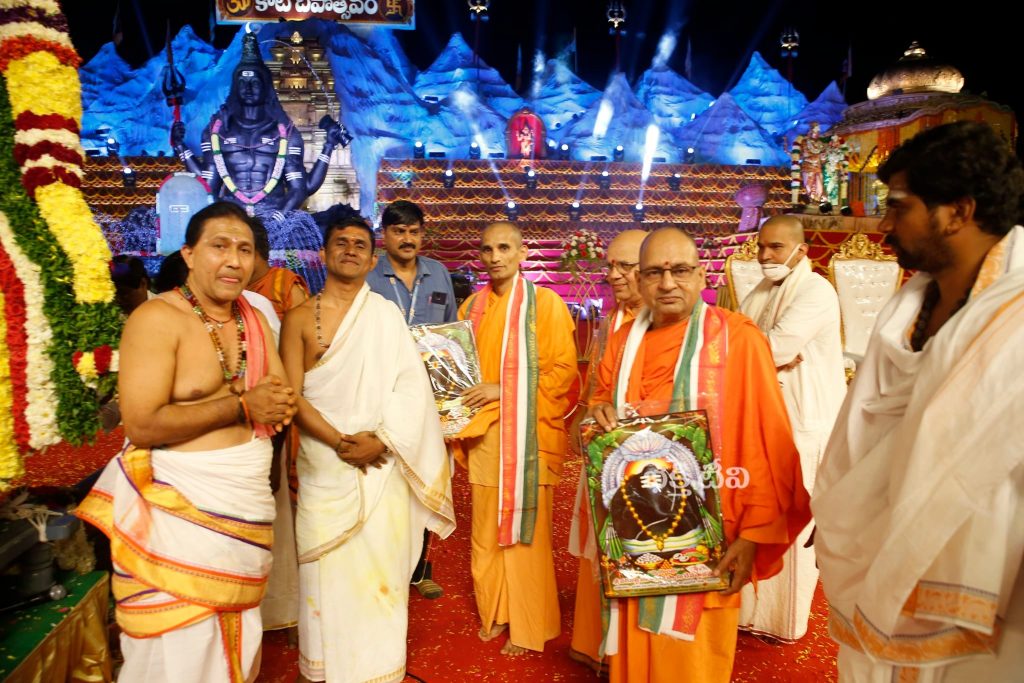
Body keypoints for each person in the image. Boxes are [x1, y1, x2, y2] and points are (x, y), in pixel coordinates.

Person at [813, 121, 1024, 681]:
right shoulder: (905, 307)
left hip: (995, 591)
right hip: (874, 555)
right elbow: (866, 433)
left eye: (899, 207)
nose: (882, 224)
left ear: (958, 211)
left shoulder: (1017, 321)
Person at [76, 201, 298, 683]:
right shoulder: (158, 320)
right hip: (178, 516)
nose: (234, 261)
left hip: (243, 508)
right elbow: (144, 425)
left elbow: (277, 395)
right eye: (219, 246)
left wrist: (268, 402)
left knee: (239, 647)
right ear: (190, 254)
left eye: (245, 249)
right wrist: (242, 404)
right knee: (174, 657)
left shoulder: (253, 321)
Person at [586, 226, 811, 683]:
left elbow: (769, 444)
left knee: (691, 663)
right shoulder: (622, 341)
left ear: (701, 273)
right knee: (635, 659)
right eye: (655, 272)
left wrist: (754, 535)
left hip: (713, 536)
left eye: (680, 270)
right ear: (641, 279)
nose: (668, 283)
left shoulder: (738, 340)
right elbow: (588, 426)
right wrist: (594, 419)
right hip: (635, 540)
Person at [280, 217, 455, 683]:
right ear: (324, 254)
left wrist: (380, 439)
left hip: (382, 464)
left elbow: (411, 389)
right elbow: (291, 395)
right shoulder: (298, 319)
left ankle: (378, 670)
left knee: (381, 572)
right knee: (326, 572)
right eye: (341, 243)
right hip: (324, 469)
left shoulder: (385, 316)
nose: (351, 250)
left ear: (371, 259)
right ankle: (324, 671)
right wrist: (339, 442)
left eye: (361, 245)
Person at [452, 221, 577, 656]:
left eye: (504, 248)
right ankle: (496, 610)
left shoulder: (546, 305)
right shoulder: (471, 307)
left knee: (526, 536)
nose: (495, 257)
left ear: (523, 253)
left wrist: (504, 390)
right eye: (487, 249)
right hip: (485, 437)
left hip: (529, 439)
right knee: (486, 533)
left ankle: (529, 625)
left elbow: (563, 374)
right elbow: (460, 375)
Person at [737, 214, 846, 641]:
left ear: (802, 250)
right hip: (764, 416)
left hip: (805, 420)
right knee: (758, 512)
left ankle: (784, 621)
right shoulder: (762, 290)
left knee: (794, 518)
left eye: (776, 248)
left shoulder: (816, 291)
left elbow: (774, 347)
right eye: (762, 246)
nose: (765, 255)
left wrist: (752, 347)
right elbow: (743, 339)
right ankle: (749, 611)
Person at [365, 199, 457, 599]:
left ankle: (420, 569)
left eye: (414, 231)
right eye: (398, 231)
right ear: (384, 235)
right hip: (383, 394)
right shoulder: (369, 277)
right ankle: (383, 564)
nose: (407, 238)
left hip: (430, 396)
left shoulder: (438, 273)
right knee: (386, 480)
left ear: (423, 234)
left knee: (427, 475)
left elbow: (453, 332)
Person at [568, 228, 647, 672]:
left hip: (642, 462)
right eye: (610, 265)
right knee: (596, 551)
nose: (614, 275)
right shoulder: (612, 317)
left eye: (625, 266)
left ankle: (628, 655)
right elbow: (597, 388)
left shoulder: (658, 319)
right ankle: (594, 643)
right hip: (603, 450)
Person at [171, 31, 348, 215]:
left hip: (274, 215)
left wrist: (328, 146)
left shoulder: (286, 134)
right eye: (243, 82)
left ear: (266, 86)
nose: (248, 88)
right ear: (235, 86)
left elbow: (302, 187)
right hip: (232, 216)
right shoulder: (217, 131)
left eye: (254, 82)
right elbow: (207, 184)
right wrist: (180, 147)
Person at [246, 215, 310, 319]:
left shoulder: (285, 283)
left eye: (243, 250)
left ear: (258, 251)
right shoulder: (235, 286)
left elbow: (302, 328)